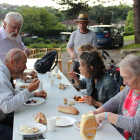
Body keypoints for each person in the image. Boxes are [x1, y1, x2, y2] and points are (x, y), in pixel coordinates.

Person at [89, 54, 140, 140]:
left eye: (127, 78)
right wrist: (97, 111)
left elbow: (136, 125)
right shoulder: (130, 88)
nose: (124, 82)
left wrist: (106, 116)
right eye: (123, 78)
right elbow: (115, 101)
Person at [0, 48, 47, 140]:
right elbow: (6, 107)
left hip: (2, 117)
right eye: (24, 63)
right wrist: (28, 90)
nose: (26, 67)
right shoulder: (1, 76)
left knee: (32, 125)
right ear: (12, 62)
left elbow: (12, 93)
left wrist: (33, 94)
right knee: (26, 136)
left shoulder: (4, 71)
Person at [0, 12, 36, 85]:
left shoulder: (17, 36)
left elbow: (23, 48)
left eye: (19, 28)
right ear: (5, 24)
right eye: (13, 27)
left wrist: (26, 50)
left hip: (10, 80)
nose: (16, 31)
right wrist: (17, 75)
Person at [67, 14, 98, 83]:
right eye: (80, 23)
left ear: (87, 24)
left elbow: (94, 50)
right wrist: (71, 53)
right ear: (78, 23)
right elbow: (69, 46)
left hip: (88, 62)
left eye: (83, 23)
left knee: (88, 80)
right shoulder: (74, 33)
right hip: (76, 60)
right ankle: (75, 91)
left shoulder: (93, 35)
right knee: (74, 78)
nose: (81, 25)